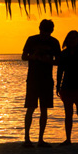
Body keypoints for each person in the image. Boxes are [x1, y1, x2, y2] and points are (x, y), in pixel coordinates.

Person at [21, 19, 61, 147]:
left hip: (46, 79)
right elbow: (23, 56)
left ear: (51, 31)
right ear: (40, 29)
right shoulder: (31, 39)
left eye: (48, 32)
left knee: (44, 109)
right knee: (30, 108)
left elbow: (58, 61)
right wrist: (34, 57)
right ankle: (27, 139)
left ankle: (40, 139)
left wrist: (47, 60)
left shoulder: (54, 42)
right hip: (33, 79)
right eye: (44, 31)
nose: (45, 34)